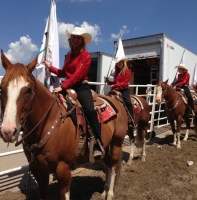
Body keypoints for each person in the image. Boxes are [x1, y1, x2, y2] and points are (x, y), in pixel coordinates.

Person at [42, 27, 104, 158]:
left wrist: (62, 86)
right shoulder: (68, 55)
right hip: (68, 86)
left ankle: (98, 143)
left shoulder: (85, 55)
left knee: (89, 110)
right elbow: (63, 72)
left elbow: (77, 75)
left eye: (78, 38)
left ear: (82, 40)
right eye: (74, 37)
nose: (75, 40)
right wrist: (49, 67)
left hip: (81, 86)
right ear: (71, 40)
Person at [105, 56, 135, 129]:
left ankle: (131, 120)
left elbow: (125, 83)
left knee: (128, 102)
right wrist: (108, 81)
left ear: (123, 62)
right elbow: (115, 82)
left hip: (124, 90)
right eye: (118, 62)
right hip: (116, 90)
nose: (119, 63)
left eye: (120, 62)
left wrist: (115, 85)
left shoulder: (128, 72)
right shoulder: (116, 72)